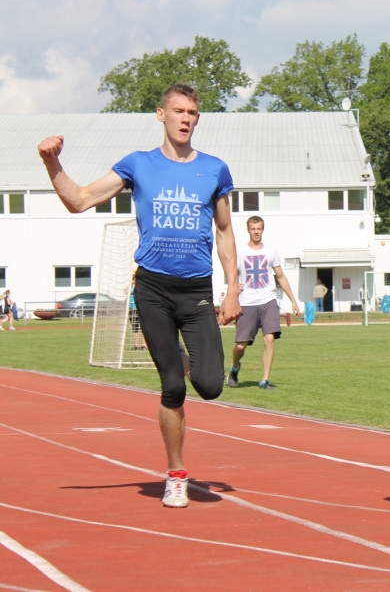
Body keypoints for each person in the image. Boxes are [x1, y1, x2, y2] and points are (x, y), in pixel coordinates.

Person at [37, 82, 242, 508]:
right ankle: (176, 474)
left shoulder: (215, 170)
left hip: (196, 290)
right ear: (161, 115)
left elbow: (224, 231)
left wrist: (233, 288)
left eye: (193, 113)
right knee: (172, 388)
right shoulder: (138, 165)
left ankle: (185, 359)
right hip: (152, 289)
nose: (186, 119)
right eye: (179, 111)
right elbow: (79, 200)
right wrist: (51, 162)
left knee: (209, 386)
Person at [228, 216, 300, 390]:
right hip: (247, 302)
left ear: (262, 230)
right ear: (248, 230)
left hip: (268, 299)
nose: (256, 232)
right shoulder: (240, 253)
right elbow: (231, 273)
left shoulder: (270, 252)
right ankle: (235, 367)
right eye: (253, 228)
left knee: (269, 339)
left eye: (259, 228)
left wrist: (293, 300)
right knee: (240, 345)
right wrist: (233, 286)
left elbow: (280, 276)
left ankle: (264, 380)